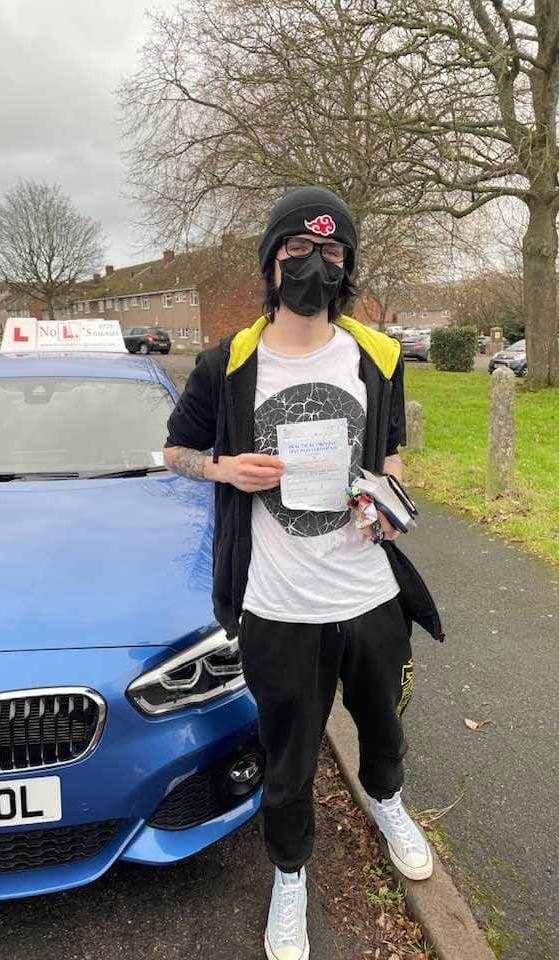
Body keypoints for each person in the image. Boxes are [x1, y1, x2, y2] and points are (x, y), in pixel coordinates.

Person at [164, 186, 444, 960]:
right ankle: (290, 872)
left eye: (331, 252)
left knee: (383, 723)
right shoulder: (227, 364)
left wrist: (388, 502)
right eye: (298, 250)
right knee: (287, 754)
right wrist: (224, 468)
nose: (315, 265)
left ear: (347, 265)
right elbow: (174, 451)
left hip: (370, 594)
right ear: (272, 260)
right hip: (279, 604)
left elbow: (390, 453)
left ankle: (386, 800)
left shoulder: (377, 355)